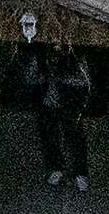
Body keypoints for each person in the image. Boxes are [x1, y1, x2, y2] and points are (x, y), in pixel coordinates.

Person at [32, 51, 91, 188]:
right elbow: (31, 78)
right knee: (50, 137)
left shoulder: (76, 58)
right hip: (48, 105)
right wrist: (45, 79)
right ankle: (56, 170)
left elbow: (85, 80)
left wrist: (64, 80)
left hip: (69, 105)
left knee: (75, 138)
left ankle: (80, 174)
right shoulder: (41, 58)